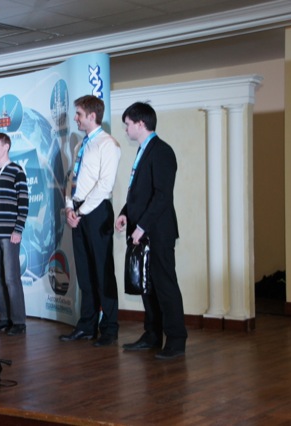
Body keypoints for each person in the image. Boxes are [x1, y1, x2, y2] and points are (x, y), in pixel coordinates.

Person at [115, 102, 187, 360]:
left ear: (141, 123)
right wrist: (125, 212)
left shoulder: (162, 151)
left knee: (165, 285)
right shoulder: (143, 150)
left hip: (158, 232)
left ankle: (176, 340)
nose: (126, 129)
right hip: (143, 231)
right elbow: (140, 192)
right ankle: (153, 335)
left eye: (128, 124)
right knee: (148, 287)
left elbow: (162, 196)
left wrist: (142, 226)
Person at [59, 95, 121, 347]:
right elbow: (72, 179)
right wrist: (69, 207)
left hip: (96, 212)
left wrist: (81, 211)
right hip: (78, 212)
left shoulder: (108, 144)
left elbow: (105, 185)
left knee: (103, 272)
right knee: (84, 273)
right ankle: (87, 326)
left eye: (79, 114)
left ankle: (109, 328)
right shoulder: (80, 146)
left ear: (92, 116)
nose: (75, 118)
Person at [0, 133, 29, 336]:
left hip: (9, 233)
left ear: (6, 147)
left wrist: (18, 229)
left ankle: (19, 321)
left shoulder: (16, 171)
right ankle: (4, 318)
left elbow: (23, 202)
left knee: (11, 278)